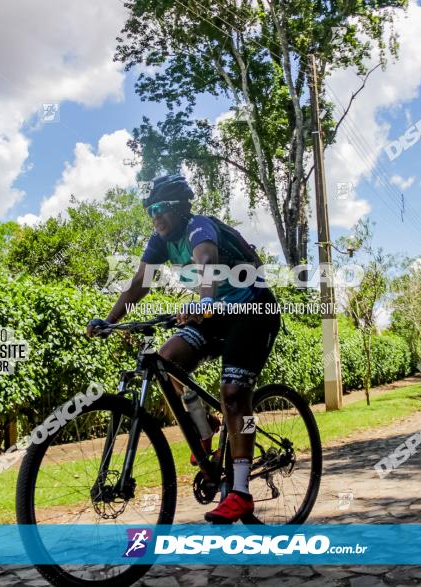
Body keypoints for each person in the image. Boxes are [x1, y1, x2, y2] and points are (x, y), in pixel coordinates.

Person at [85, 174, 281, 524]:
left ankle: (241, 493)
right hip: (216, 314)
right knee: (166, 362)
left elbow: (207, 262)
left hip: (252, 309)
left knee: (234, 393)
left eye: (160, 208)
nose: (154, 216)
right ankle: (205, 432)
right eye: (149, 210)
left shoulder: (199, 228)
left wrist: (204, 302)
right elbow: (138, 285)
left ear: (178, 209)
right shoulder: (159, 241)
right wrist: (108, 320)